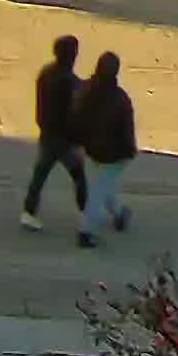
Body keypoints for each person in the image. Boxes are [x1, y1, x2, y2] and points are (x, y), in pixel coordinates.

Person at [19, 35, 85, 229]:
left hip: (47, 133)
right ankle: (86, 214)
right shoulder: (70, 81)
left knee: (40, 173)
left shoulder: (46, 73)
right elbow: (74, 111)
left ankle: (29, 211)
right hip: (64, 139)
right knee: (79, 175)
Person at [75, 49, 138, 248]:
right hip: (115, 153)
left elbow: (77, 117)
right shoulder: (121, 99)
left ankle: (119, 214)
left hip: (92, 148)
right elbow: (127, 130)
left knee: (102, 184)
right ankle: (85, 231)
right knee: (99, 190)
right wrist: (130, 150)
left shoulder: (86, 90)